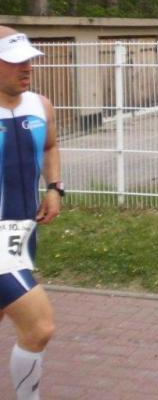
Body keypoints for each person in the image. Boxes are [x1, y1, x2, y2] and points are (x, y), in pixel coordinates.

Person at [0, 26, 62, 400]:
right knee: (40, 327)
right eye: (15, 61)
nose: (27, 68)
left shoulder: (41, 105)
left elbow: (51, 146)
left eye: (29, 60)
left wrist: (54, 187)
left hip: (23, 234)